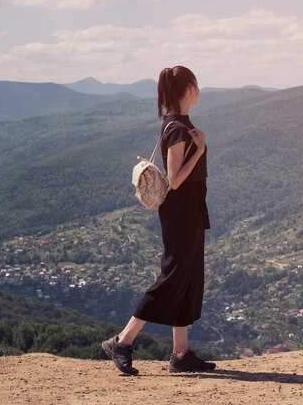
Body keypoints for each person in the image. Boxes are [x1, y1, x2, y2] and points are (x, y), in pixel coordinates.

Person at [102, 66, 216, 375]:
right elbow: (176, 179)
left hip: (190, 210)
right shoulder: (177, 128)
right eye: (197, 84)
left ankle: (181, 354)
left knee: (187, 276)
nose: (199, 89)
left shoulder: (177, 123)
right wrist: (201, 149)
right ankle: (122, 341)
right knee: (172, 276)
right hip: (181, 211)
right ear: (189, 89)